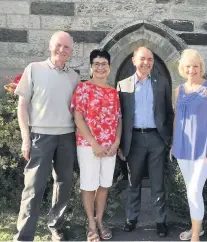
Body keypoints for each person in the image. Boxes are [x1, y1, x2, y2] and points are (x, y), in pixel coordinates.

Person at [13, 31, 80, 241]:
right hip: (40, 137)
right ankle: (24, 235)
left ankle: (55, 226)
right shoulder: (34, 69)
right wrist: (26, 138)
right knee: (33, 188)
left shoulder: (74, 76)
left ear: (71, 51)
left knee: (64, 184)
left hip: (67, 137)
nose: (62, 50)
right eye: (59, 45)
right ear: (50, 45)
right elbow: (22, 106)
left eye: (67, 47)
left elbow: (78, 111)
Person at [117, 46, 174, 237]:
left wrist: (168, 139)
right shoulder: (122, 85)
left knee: (158, 182)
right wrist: (120, 143)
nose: (146, 62)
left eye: (150, 59)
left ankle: (160, 221)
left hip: (156, 138)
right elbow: (120, 117)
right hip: (133, 139)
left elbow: (168, 112)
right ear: (134, 60)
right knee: (134, 182)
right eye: (142, 59)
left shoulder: (162, 83)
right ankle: (131, 218)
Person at [71, 49, 122, 242]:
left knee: (104, 185)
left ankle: (100, 221)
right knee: (89, 185)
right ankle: (91, 224)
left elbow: (119, 119)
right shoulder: (83, 88)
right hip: (87, 146)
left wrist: (116, 142)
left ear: (109, 68)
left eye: (104, 64)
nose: (100, 68)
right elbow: (78, 118)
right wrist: (94, 144)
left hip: (110, 148)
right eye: (97, 64)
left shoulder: (113, 93)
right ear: (91, 67)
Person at [171, 49, 207, 241]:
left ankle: (195, 237)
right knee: (192, 190)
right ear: (182, 69)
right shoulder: (179, 90)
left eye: (195, 66)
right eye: (187, 66)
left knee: (193, 190)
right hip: (182, 147)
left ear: (201, 67)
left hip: (203, 148)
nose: (191, 69)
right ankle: (196, 229)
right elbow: (178, 119)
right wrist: (173, 143)